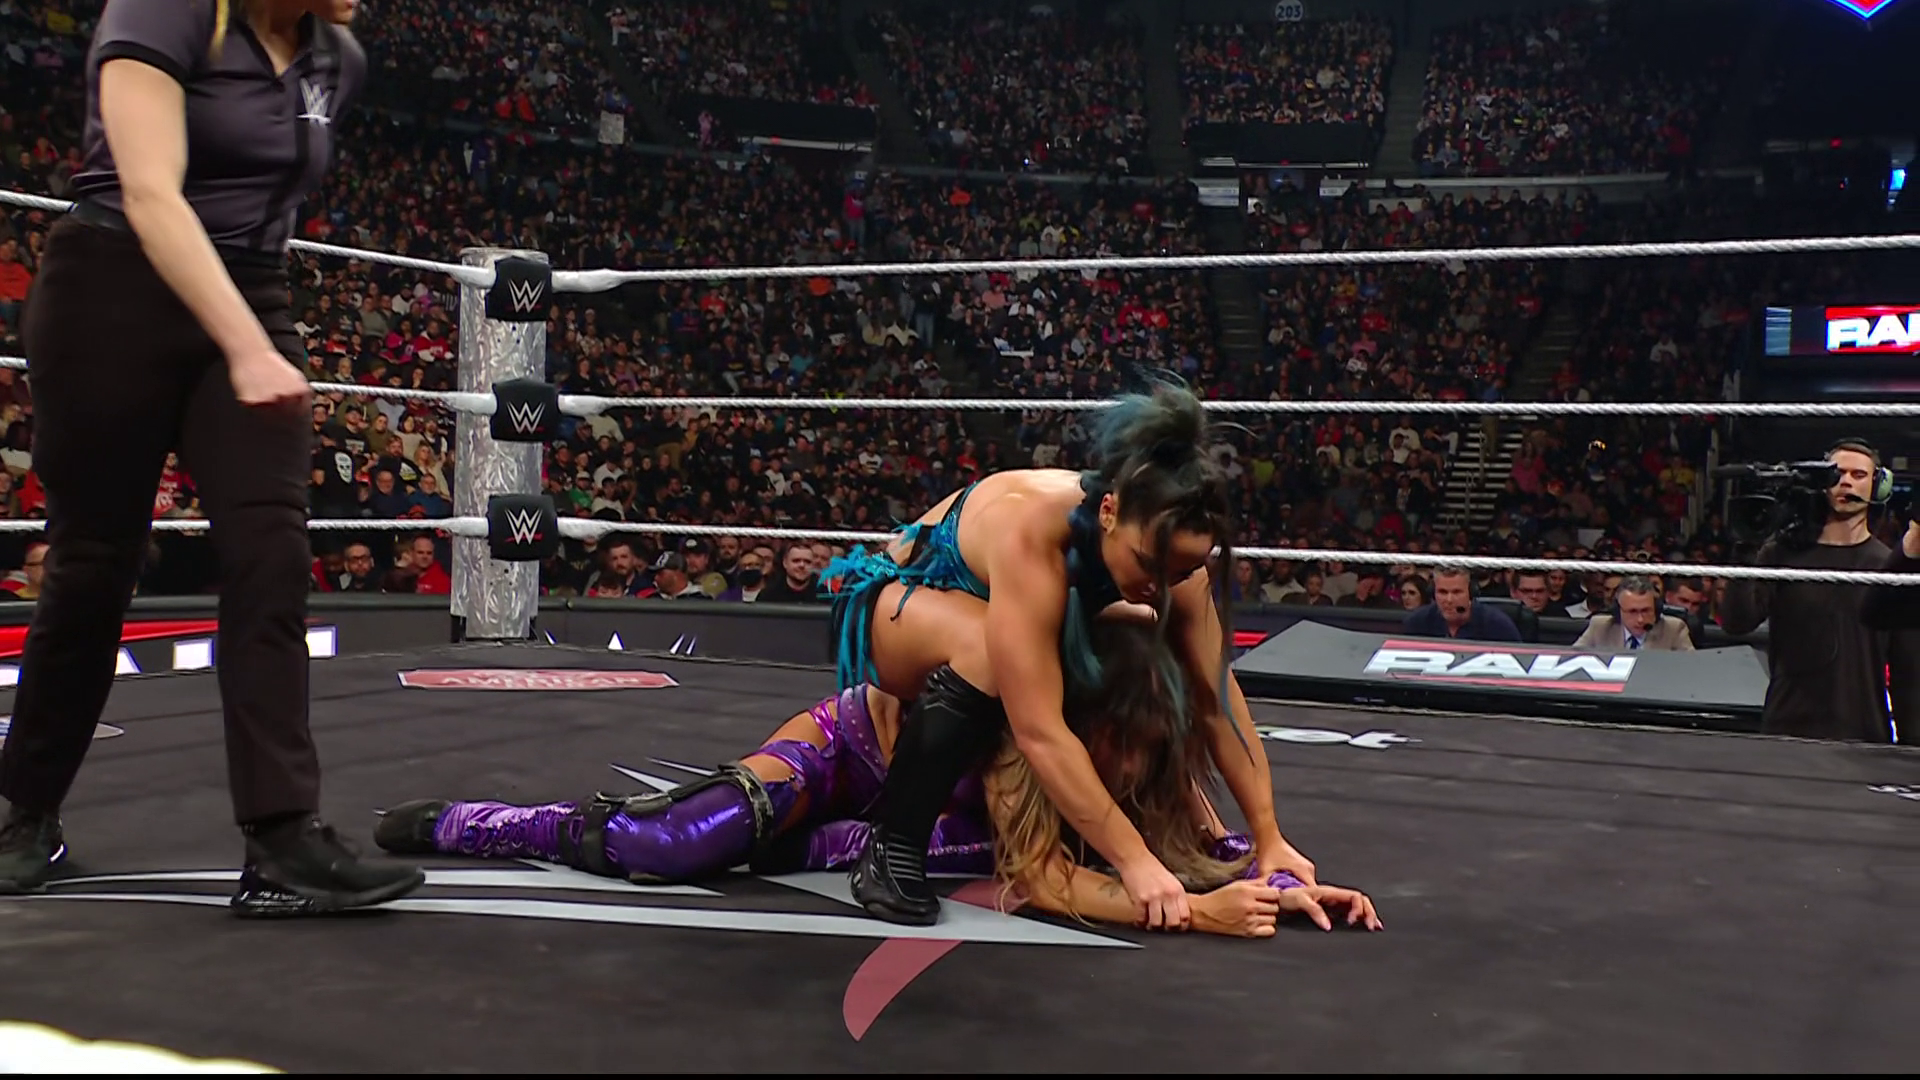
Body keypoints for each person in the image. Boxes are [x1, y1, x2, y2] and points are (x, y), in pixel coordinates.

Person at [0, 0, 426, 914]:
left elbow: (270, 201)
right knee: (94, 562)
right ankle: (21, 814)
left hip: (251, 284)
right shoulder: (167, 8)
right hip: (113, 284)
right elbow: (151, 193)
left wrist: (251, 333)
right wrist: (245, 346)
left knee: (272, 551)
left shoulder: (336, 58)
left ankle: (282, 838)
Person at [372, 619, 1382, 937]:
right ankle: (488, 823)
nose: (1127, 767)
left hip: (909, 827)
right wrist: (1194, 915)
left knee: (922, 849)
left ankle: (812, 844)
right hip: (849, 749)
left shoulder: (1151, 749)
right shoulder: (1029, 729)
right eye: (1114, 743)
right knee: (676, 844)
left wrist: (1286, 885)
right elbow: (1046, 876)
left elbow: (1208, 845)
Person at [821, 379, 1315, 929]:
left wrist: (1270, 837)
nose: (1159, 584)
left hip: (989, 607)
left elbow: (1216, 699)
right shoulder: (1032, 533)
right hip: (895, 604)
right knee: (990, 647)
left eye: (1178, 572)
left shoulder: (1174, 561)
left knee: (1149, 632)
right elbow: (1039, 730)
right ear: (1108, 512)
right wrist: (1135, 861)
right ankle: (892, 848)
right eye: (1148, 565)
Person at [1721, 439, 1920, 742]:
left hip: (1863, 734)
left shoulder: (1889, 567)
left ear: (1878, 486)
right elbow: (1737, 622)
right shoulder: (1781, 553)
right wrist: (1745, 550)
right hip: (1786, 729)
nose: (1846, 482)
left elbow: (1908, 674)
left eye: (1858, 475)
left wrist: (1910, 753)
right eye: (1837, 474)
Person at [1571, 575, 1695, 652]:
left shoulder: (1674, 629)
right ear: (1618, 611)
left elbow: (1692, 667)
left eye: (1646, 610)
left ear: (1656, 609)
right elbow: (1572, 659)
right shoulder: (1600, 626)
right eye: (1632, 611)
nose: (1640, 619)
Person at [1400, 566, 1521, 642]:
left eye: (1457, 592)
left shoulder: (1498, 624)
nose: (1449, 600)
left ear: (1471, 592)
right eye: (1442, 592)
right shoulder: (1416, 622)